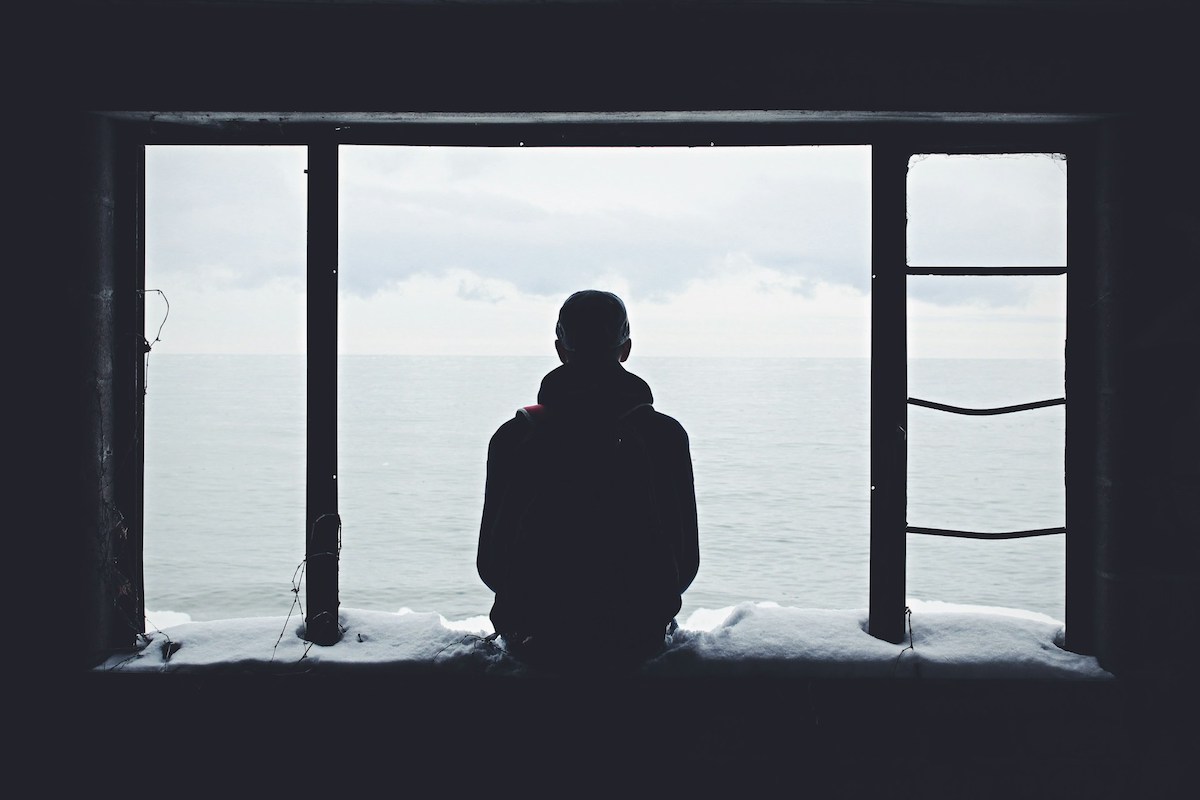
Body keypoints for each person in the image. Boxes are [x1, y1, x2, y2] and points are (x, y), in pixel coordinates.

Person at [477, 290, 700, 674]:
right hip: (636, 637)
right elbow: (685, 564)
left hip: (535, 637)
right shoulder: (665, 436)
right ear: (626, 349)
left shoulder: (515, 436)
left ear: (561, 349)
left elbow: (491, 565)